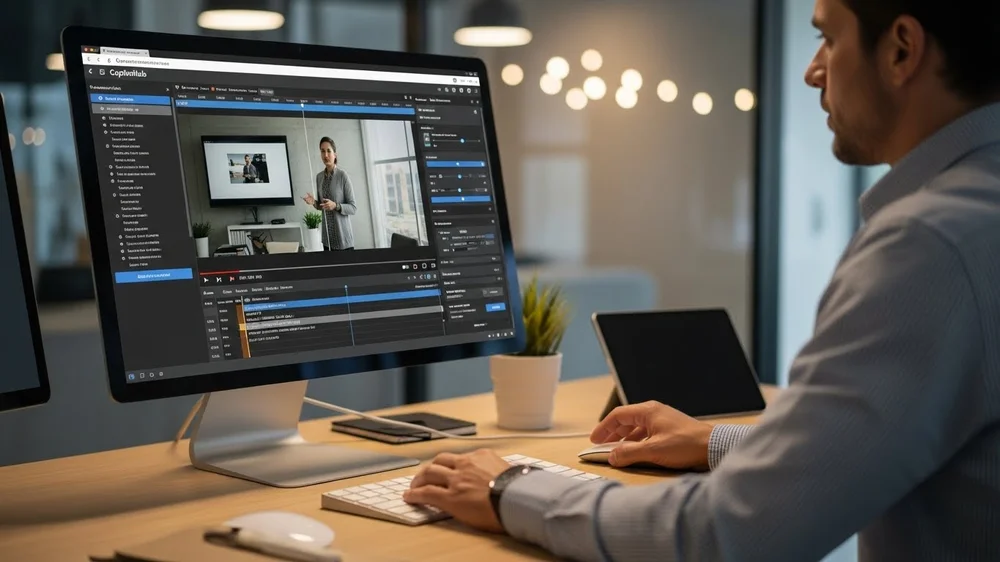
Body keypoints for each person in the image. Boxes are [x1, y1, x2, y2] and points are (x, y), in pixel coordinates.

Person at [402, 0, 1000, 560]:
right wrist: (715, 442)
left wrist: (511, 489)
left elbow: (733, 531)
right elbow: (870, 451)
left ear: (901, 50)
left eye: (828, 39)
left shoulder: (930, 244)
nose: (812, 71)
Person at [303, 137, 357, 250]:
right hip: (327, 241)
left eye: (328, 151)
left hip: (343, 241)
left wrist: (336, 206)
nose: (326, 155)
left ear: (335, 154)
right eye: (322, 151)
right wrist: (314, 203)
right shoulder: (319, 177)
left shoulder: (343, 176)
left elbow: (353, 208)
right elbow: (322, 206)